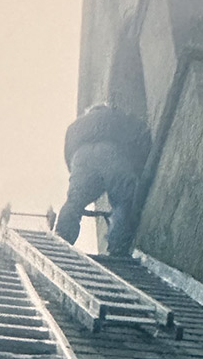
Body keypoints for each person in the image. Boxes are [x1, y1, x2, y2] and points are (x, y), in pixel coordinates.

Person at [55, 103, 151, 254]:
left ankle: (61, 237)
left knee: (74, 202)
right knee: (123, 199)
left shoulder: (74, 127)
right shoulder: (112, 114)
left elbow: (68, 156)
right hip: (109, 151)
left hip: (79, 158)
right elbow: (139, 131)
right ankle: (117, 245)